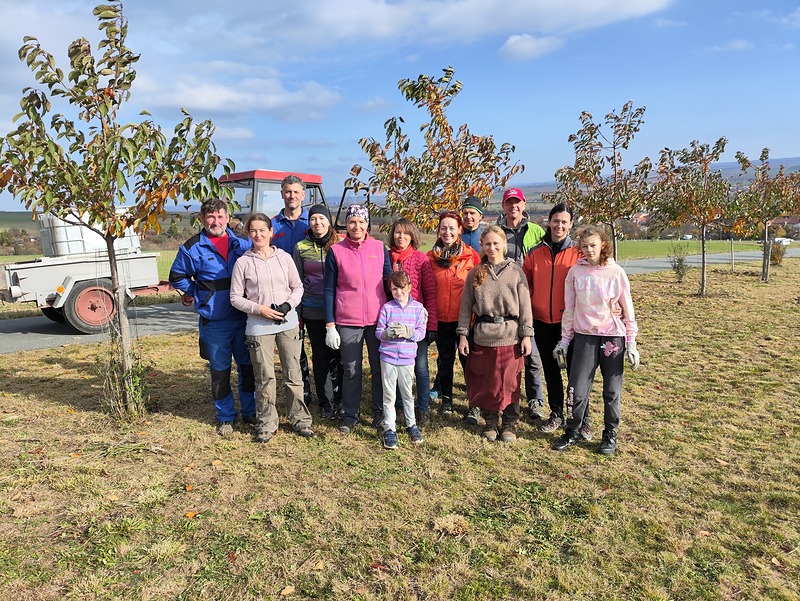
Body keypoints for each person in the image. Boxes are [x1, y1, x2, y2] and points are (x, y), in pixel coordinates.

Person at [169, 199, 255, 437]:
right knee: (220, 371)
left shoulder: (243, 242)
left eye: (219, 216)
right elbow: (177, 275)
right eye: (210, 217)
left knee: (248, 368)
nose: (215, 222)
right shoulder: (192, 247)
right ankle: (226, 416)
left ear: (228, 218)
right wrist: (195, 293)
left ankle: (251, 411)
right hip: (215, 321)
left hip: (244, 317)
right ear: (202, 219)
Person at [552, 225, 640, 455]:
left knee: (611, 391)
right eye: (584, 246)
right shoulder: (575, 273)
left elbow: (627, 310)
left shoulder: (616, 272)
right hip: (584, 338)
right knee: (576, 390)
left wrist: (631, 342)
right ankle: (572, 430)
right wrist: (564, 340)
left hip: (612, 339)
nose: (589, 250)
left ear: (603, 245)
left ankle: (610, 434)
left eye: (593, 245)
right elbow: (569, 310)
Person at [230, 213, 314, 443]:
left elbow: (297, 287)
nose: (258, 235)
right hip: (259, 326)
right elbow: (235, 297)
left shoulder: (284, 258)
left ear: (270, 232)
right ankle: (267, 422)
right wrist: (259, 309)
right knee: (264, 377)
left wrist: (288, 305)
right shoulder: (243, 262)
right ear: (249, 234)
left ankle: (300, 419)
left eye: (262, 230)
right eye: (253, 231)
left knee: (293, 373)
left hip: (288, 323)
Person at [457, 225, 534, 443]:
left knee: (510, 382)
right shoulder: (476, 272)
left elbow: (525, 305)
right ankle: (490, 422)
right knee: (488, 382)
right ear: (482, 245)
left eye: (495, 243)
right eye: (487, 243)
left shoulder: (515, 271)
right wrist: (463, 334)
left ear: (503, 245)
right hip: (483, 336)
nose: (492, 247)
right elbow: (465, 307)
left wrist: (526, 334)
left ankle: (509, 424)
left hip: (510, 336)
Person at [324, 204, 393, 434]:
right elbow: (329, 290)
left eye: (361, 222)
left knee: (378, 367)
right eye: (352, 222)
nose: (357, 226)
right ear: (346, 223)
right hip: (347, 320)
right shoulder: (336, 251)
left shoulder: (379, 248)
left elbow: (389, 281)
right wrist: (330, 324)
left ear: (367, 225)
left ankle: (379, 413)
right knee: (351, 370)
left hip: (377, 320)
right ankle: (350, 414)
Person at [522, 203, 589, 436]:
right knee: (550, 371)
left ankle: (582, 418)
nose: (559, 225)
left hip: (571, 323)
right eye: (555, 221)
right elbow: (525, 284)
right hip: (542, 322)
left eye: (564, 222)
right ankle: (557, 414)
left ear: (571, 224)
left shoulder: (579, 253)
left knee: (575, 373)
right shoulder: (534, 253)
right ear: (548, 222)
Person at [497, 187, 546, 418]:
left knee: (532, 355)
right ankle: (503, 396)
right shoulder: (497, 232)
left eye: (517, 202)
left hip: (529, 299)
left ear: (524, 205)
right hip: (504, 303)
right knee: (505, 357)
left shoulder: (536, 231)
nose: (513, 206)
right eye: (509, 203)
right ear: (503, 206)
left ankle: (536, 399)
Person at [427, 212, 481, 421]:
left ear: (460, 230)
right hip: (441, 320)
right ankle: (447, 400)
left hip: (465, 320)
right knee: (445, 361)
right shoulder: (430, 258)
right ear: (438, 231)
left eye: (452, 228)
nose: (447, 232)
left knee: (469, 364)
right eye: (443, 228)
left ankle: (474, 404)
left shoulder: (471, 256)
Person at [293, 204, 343, 420]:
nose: (317, 223)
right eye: (313, 219)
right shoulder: (300, 247)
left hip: (340, 309)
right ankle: (325, 401)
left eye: (322, 219)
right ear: (309, 222)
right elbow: (295, 282)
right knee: (320, 356)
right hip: (313, 309)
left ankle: (341, 397)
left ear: (329, 221)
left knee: (340, 356)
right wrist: (298, 312)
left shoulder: (340, 244)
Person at [387, 217, 438, 425]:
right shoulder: (386, 257)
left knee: (420, 368)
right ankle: (399, 407)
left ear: (412, 236)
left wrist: (432, 325)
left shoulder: (421, 260)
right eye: (397, 232)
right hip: (393, 321)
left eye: (405, 233)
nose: (401, 237)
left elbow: (430, 293)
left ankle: (423, 407)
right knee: (396, 365)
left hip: (416, 323)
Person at [271, 175, 314, 407]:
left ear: (303, 195)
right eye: (288, 192)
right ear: (282, 194)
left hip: (313, 292)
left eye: (296, 192)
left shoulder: (314, 222)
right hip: (284, 296)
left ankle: (329, 390)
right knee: (294, 345)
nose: (292, 196)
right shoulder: (273, 225)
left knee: (319, 343)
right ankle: (303, 390)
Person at [375, 270, 428, 449]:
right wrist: (387, 334)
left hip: (407, 358)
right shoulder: (387, 308)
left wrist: (409, 332)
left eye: (401, 288)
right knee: (389, 394)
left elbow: (421, 333)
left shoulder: (418, 309)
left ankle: (411, 425)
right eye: (394, 288)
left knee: (406, 393)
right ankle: (390, 428)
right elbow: (379, 332)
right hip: (388, 357)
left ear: (410, 288)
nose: (398, 292)